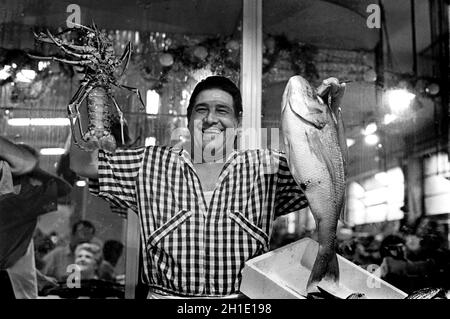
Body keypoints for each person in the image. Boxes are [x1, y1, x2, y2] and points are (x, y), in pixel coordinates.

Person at [70, 75, 345, 298]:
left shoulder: (267, 167)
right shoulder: (149, 163)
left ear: (237, 122)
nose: (211, 118)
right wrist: (87, 89)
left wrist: (330, 120)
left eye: (222, 110)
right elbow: (83, 164)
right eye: (202, 110)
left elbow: (328, 175)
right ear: (188, 120)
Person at [0, 137, 71, 299]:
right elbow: (64, 189)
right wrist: (34, 168)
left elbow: (14, 254)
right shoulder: (21, 202)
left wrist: (38, 276)